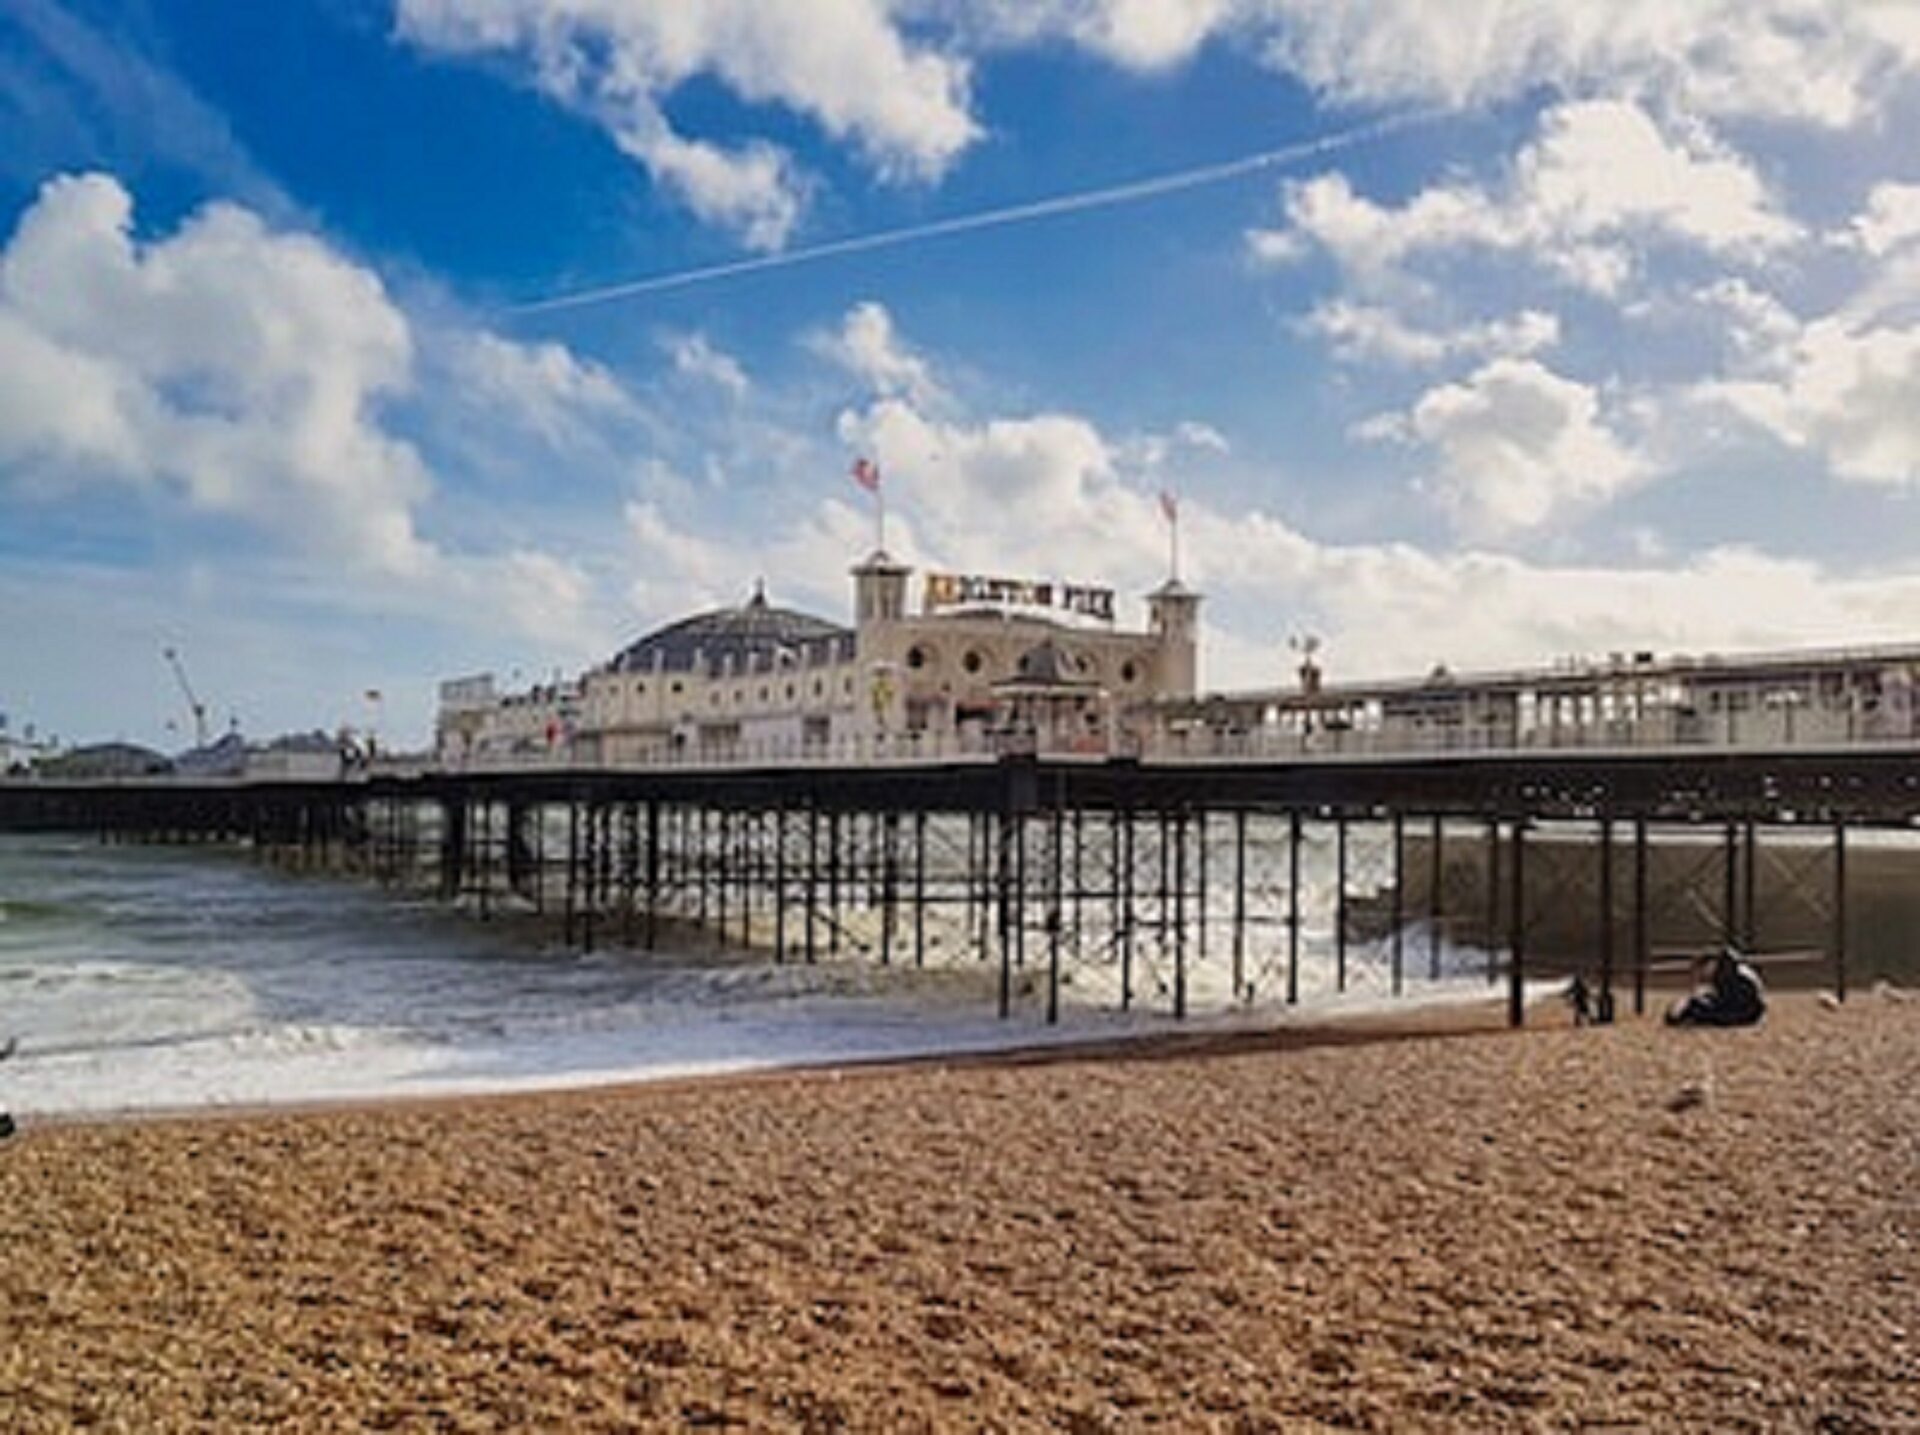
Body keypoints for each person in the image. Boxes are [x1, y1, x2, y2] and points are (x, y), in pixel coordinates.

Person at [1666, 948, 1766, 1027]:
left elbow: (1728, 1001)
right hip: (1751, 1011)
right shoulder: (1733, 969)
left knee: (1698, 1009)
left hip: (1745, 1011)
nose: (1705, 976)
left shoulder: (1726, 973)